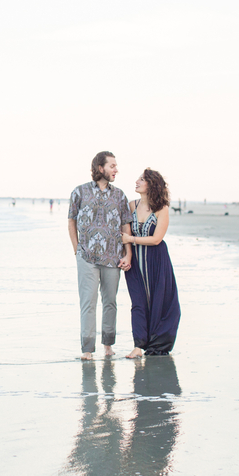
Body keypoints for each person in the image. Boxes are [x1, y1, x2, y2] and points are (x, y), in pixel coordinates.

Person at [68, 151, 133, 360]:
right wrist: (76, 248)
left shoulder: (120, 195)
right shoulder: (79, 192)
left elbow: (126, 226)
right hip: (86, 257)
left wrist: (128, 254)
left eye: (116, 166)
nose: (116, 170)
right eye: (112, 166)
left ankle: (108, 345)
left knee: (110, 301)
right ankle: (87, 349)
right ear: (100, 168)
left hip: (113, 257)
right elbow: (71, 221)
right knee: (88, 301)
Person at [121, 168, 181, 358]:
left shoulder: (161, 209)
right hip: (136, 262)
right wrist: (128, 252)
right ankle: (138, 346)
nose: (137, 181)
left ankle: (157, 344)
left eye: (141, 179)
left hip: (157, 260)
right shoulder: (131, 205)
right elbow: (124, 234)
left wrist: (131, 240)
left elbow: (156, 239)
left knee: (159, 301)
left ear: (151, 185)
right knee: (138, 302)